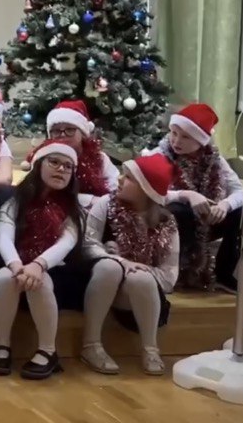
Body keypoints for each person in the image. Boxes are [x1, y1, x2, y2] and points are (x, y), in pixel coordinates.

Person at [0, 140, 85, 381]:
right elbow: (4, 237)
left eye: (68, 167)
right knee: (4, 278)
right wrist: (16, 265)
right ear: (39, 165)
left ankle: (48, 350)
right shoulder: (15, 201)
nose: (61, 169)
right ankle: (2, 344)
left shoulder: (73, 209)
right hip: (17, 265)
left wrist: (38, 265)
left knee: (39, 281)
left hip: (57, 271)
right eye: (54, 162)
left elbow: (66, 244)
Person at [80, 152, 179, 376]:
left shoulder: (166, 221)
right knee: (110, 267)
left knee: (140, 278)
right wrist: (120, 260)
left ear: (146, 189)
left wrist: (137, 269)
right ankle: (91, 344)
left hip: (141, 294)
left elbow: (169, 277)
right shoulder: (106, 204)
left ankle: (150, 349)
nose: (119, 179)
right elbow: (87, 245)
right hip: (102, 283)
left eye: (129, 177)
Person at [158, 103, 243, 292]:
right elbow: (150, 193)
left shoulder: (214, 159)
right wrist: (186, 195)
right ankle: (178, 272)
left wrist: (225, 205)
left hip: (205, 219)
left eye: (185, 136)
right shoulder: (159, 156)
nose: (176, 141)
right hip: (169, 221)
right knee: (179, 210)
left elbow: (240, 191)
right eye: (173, 133)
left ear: (201, 140)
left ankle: (224, 274)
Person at [43, 100, 119, 207]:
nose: (62, 135)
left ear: (83, 133)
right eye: (56, 131)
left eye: (70, 129)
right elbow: (48, 194)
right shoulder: (44, 159)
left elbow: (115, 187)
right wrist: (90, 200)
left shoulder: (99, 158)